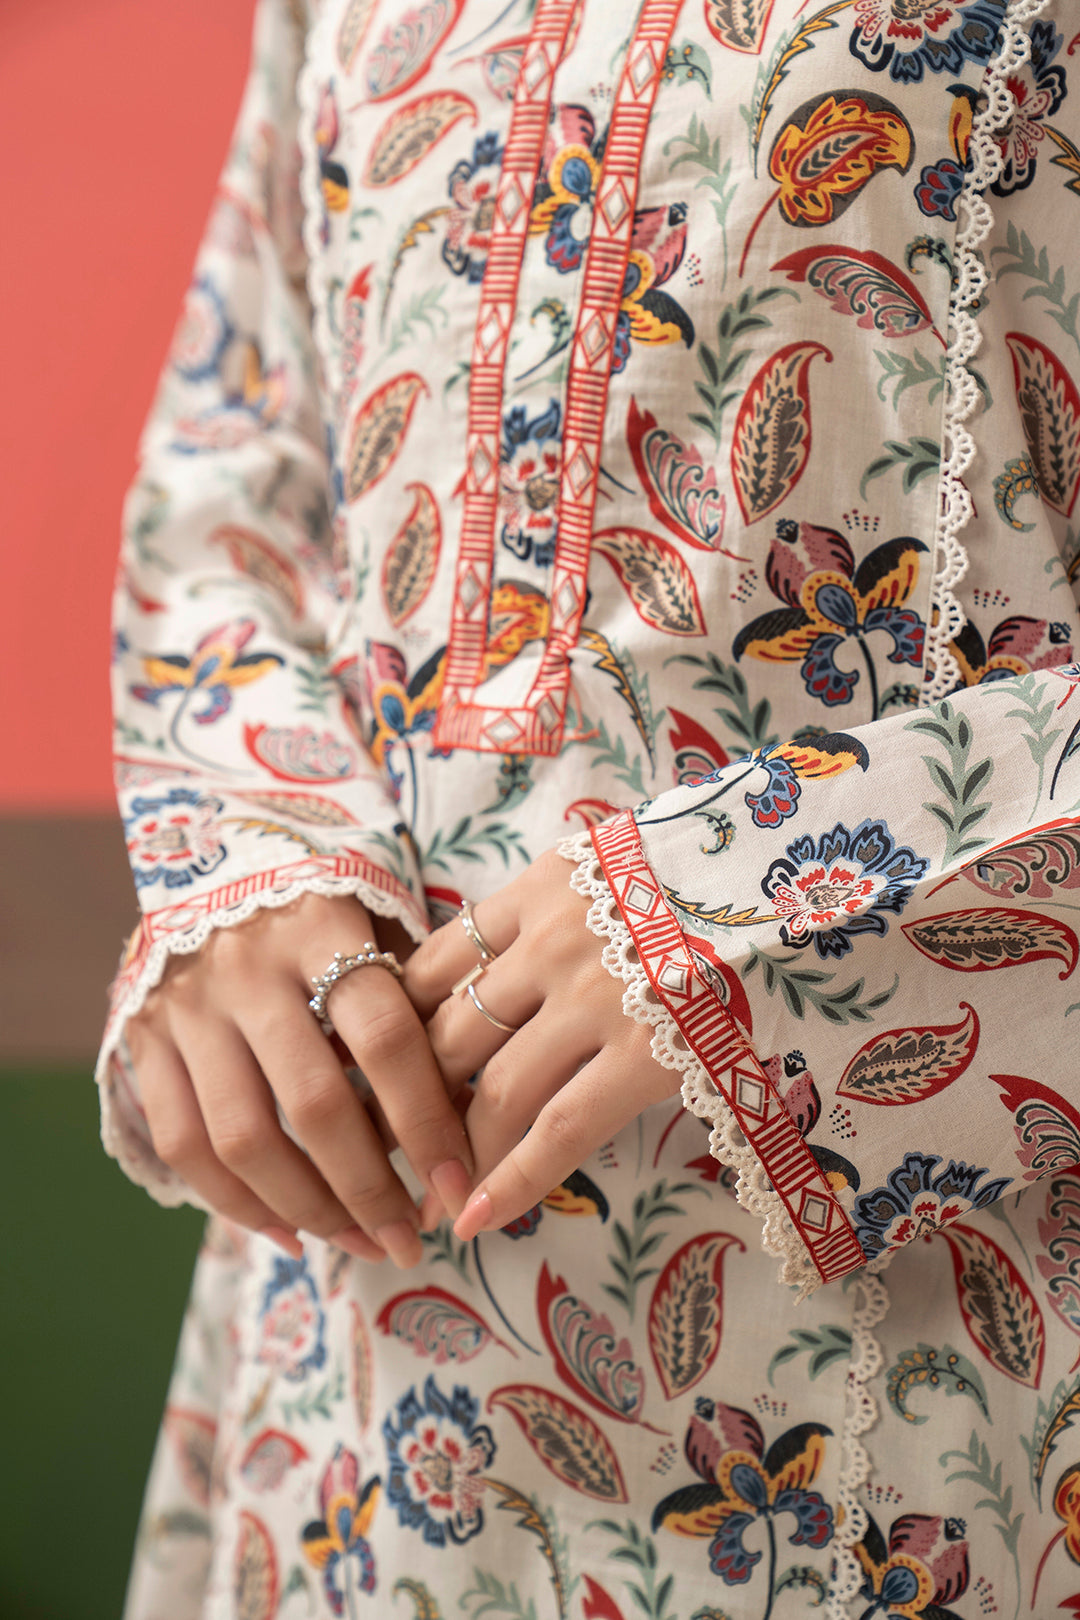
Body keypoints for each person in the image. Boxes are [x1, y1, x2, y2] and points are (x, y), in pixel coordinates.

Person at [96, 0, 1080, 1613]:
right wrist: (243, 871)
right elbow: (240, 458)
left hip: (956, 1379)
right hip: (381, 1398)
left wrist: (764, 896)